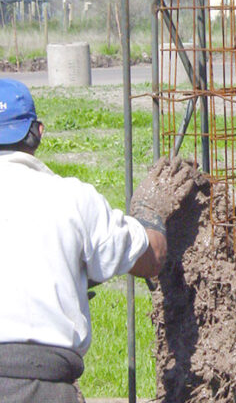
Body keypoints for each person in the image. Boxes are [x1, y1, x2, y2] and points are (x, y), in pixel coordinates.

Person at [0, 78, 193, 402]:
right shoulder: (72, 200)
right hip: (41, 387)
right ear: (38, 133)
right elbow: (152, 258)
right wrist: (150, 210)